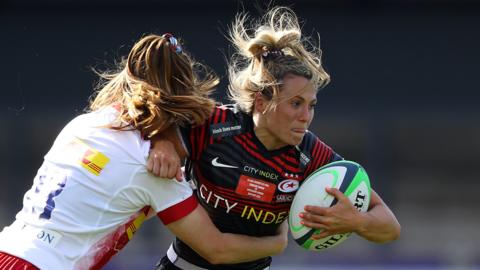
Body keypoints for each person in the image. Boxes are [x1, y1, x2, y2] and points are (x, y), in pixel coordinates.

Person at [0, 33, 289, 270]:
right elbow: (216, 249)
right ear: (186, 91)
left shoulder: (81, 125)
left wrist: (163, 136)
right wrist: (277, 241)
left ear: (125, 76)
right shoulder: (155, 168)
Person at [149, 7, 401, 270]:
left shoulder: (310, 155)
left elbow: (390, 228)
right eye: (295, 103)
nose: (306, 116)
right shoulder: (214, 126)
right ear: (260, 102)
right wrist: (163, 141)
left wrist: (356, 222)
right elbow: (157, 116)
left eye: (311, 105)